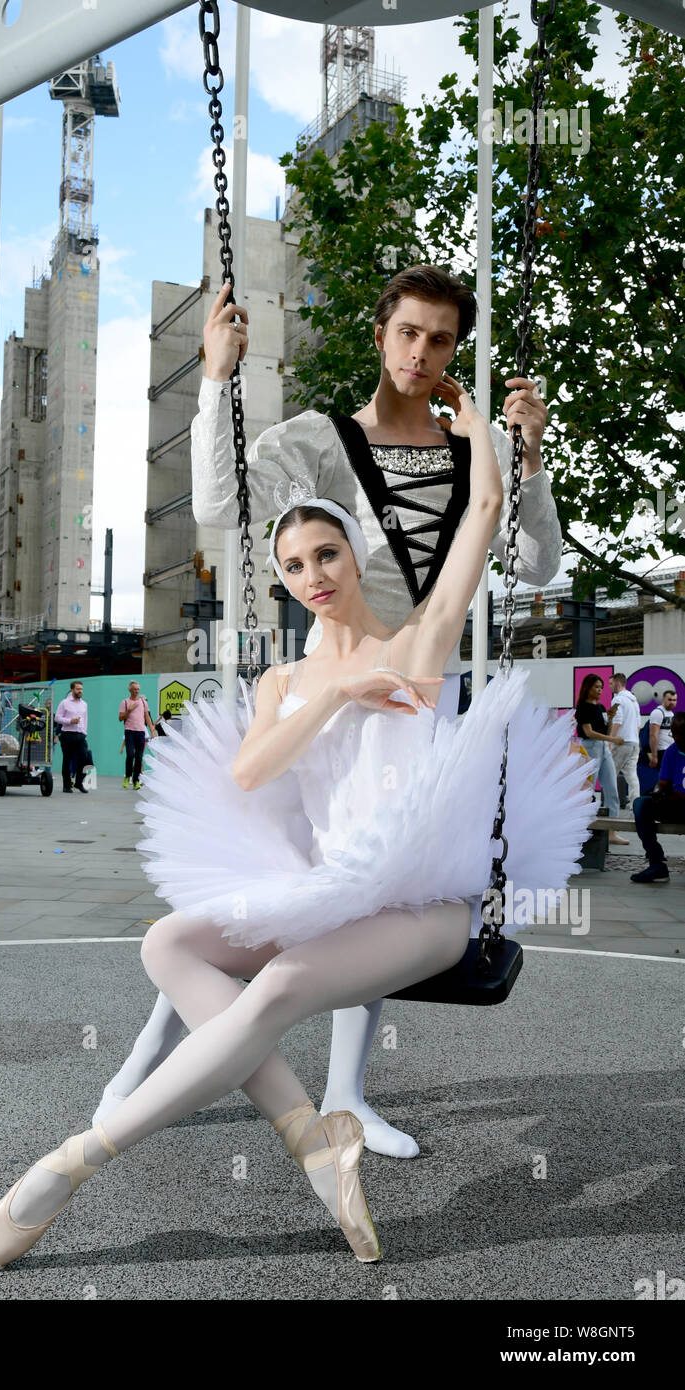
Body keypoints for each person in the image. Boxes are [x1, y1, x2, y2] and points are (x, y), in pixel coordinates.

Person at [0, 375, 595, 1269]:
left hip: (426, 908)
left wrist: (486, 440)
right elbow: (251, 767)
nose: (312, 577)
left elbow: (483, 514)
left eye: (326, 556)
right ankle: (312, 1138)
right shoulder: (282, 683)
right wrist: (336, 693)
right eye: (294, 565)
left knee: (270, 992)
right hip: (327, 891)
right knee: (169, 945)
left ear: (355, 556)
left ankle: (70, 1166)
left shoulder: (416, 647)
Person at [91, 263, 564, 1159]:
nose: (421, 353)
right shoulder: (316, 442)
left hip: (422, 685)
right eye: (407, 333)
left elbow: (534, 562)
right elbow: (218, 508)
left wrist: (524, 454)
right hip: (332, 679)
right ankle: (153, 1050)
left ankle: (345, 1094)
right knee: (277, 876)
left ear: (455, 350)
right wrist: (217, 379)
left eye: (440, 340)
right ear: (380, 335)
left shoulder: (473, 449)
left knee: (382, 879)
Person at [630, 712, 685, 883]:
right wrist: (661, 795)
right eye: (673, 733)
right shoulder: (673, 751)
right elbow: (664, 784)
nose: (675, 737)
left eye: (679, 733)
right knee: (641, 804)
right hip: (675, 804)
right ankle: (656, 863)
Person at [575, 674, 628, 844]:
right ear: (587, 688)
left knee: (612, 789)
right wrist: (613, 740)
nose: (599, 690)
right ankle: (582, 829)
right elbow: (589, 732)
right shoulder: (582, 707)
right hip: (590, 746)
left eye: (601, 687)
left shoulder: (601, 708)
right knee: (588, 789)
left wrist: (610, 717)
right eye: (596, 687)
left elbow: (605, 730)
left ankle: (611, 832)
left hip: (603, 748)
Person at [608, 672, 641, 809]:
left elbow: (617, 721)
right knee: (632, 777)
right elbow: (638, 724)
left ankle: (611, 806)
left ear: (617, 683)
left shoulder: (618, 700)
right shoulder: (634, 701)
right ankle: (636, 807)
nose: (610, 687)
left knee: (610, 775)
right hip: (634, 743)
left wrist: (610, 741)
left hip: (621, 742)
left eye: (611, 684)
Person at [119, 681, 157, 790]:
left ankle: (136, 781)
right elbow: (120, 718)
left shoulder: (143, 702)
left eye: (138, 689)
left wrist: (152, 730)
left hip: (141, 733)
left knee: (139, 758)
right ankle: (127, 777)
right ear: (130, 690)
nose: (137, 691)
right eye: (135, 689)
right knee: (130, 755)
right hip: (129, 732)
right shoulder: (125, 702)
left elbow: (147, 717)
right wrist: (129, 710)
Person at [55, 680, 89, 794]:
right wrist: (70, 721)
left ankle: (79, 782)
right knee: (67, 759)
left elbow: (85, 719)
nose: (80, 691)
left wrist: (84, 732)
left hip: (80, 735)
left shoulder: (84, 704)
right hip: (67, 734)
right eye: (78, 689)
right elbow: (57, 718)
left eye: (81, 689)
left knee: (85, 758)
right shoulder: (64, 703)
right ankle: (67, 785)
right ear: (72, 690)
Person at [646, 688, 677, 774]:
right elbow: (653, 735)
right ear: (663, 699)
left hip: (671, 751)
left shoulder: (671, 714)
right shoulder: (658, 712)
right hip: (662, 752)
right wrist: (654, 756)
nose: (672, 702)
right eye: (669, 699)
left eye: (674, 700)